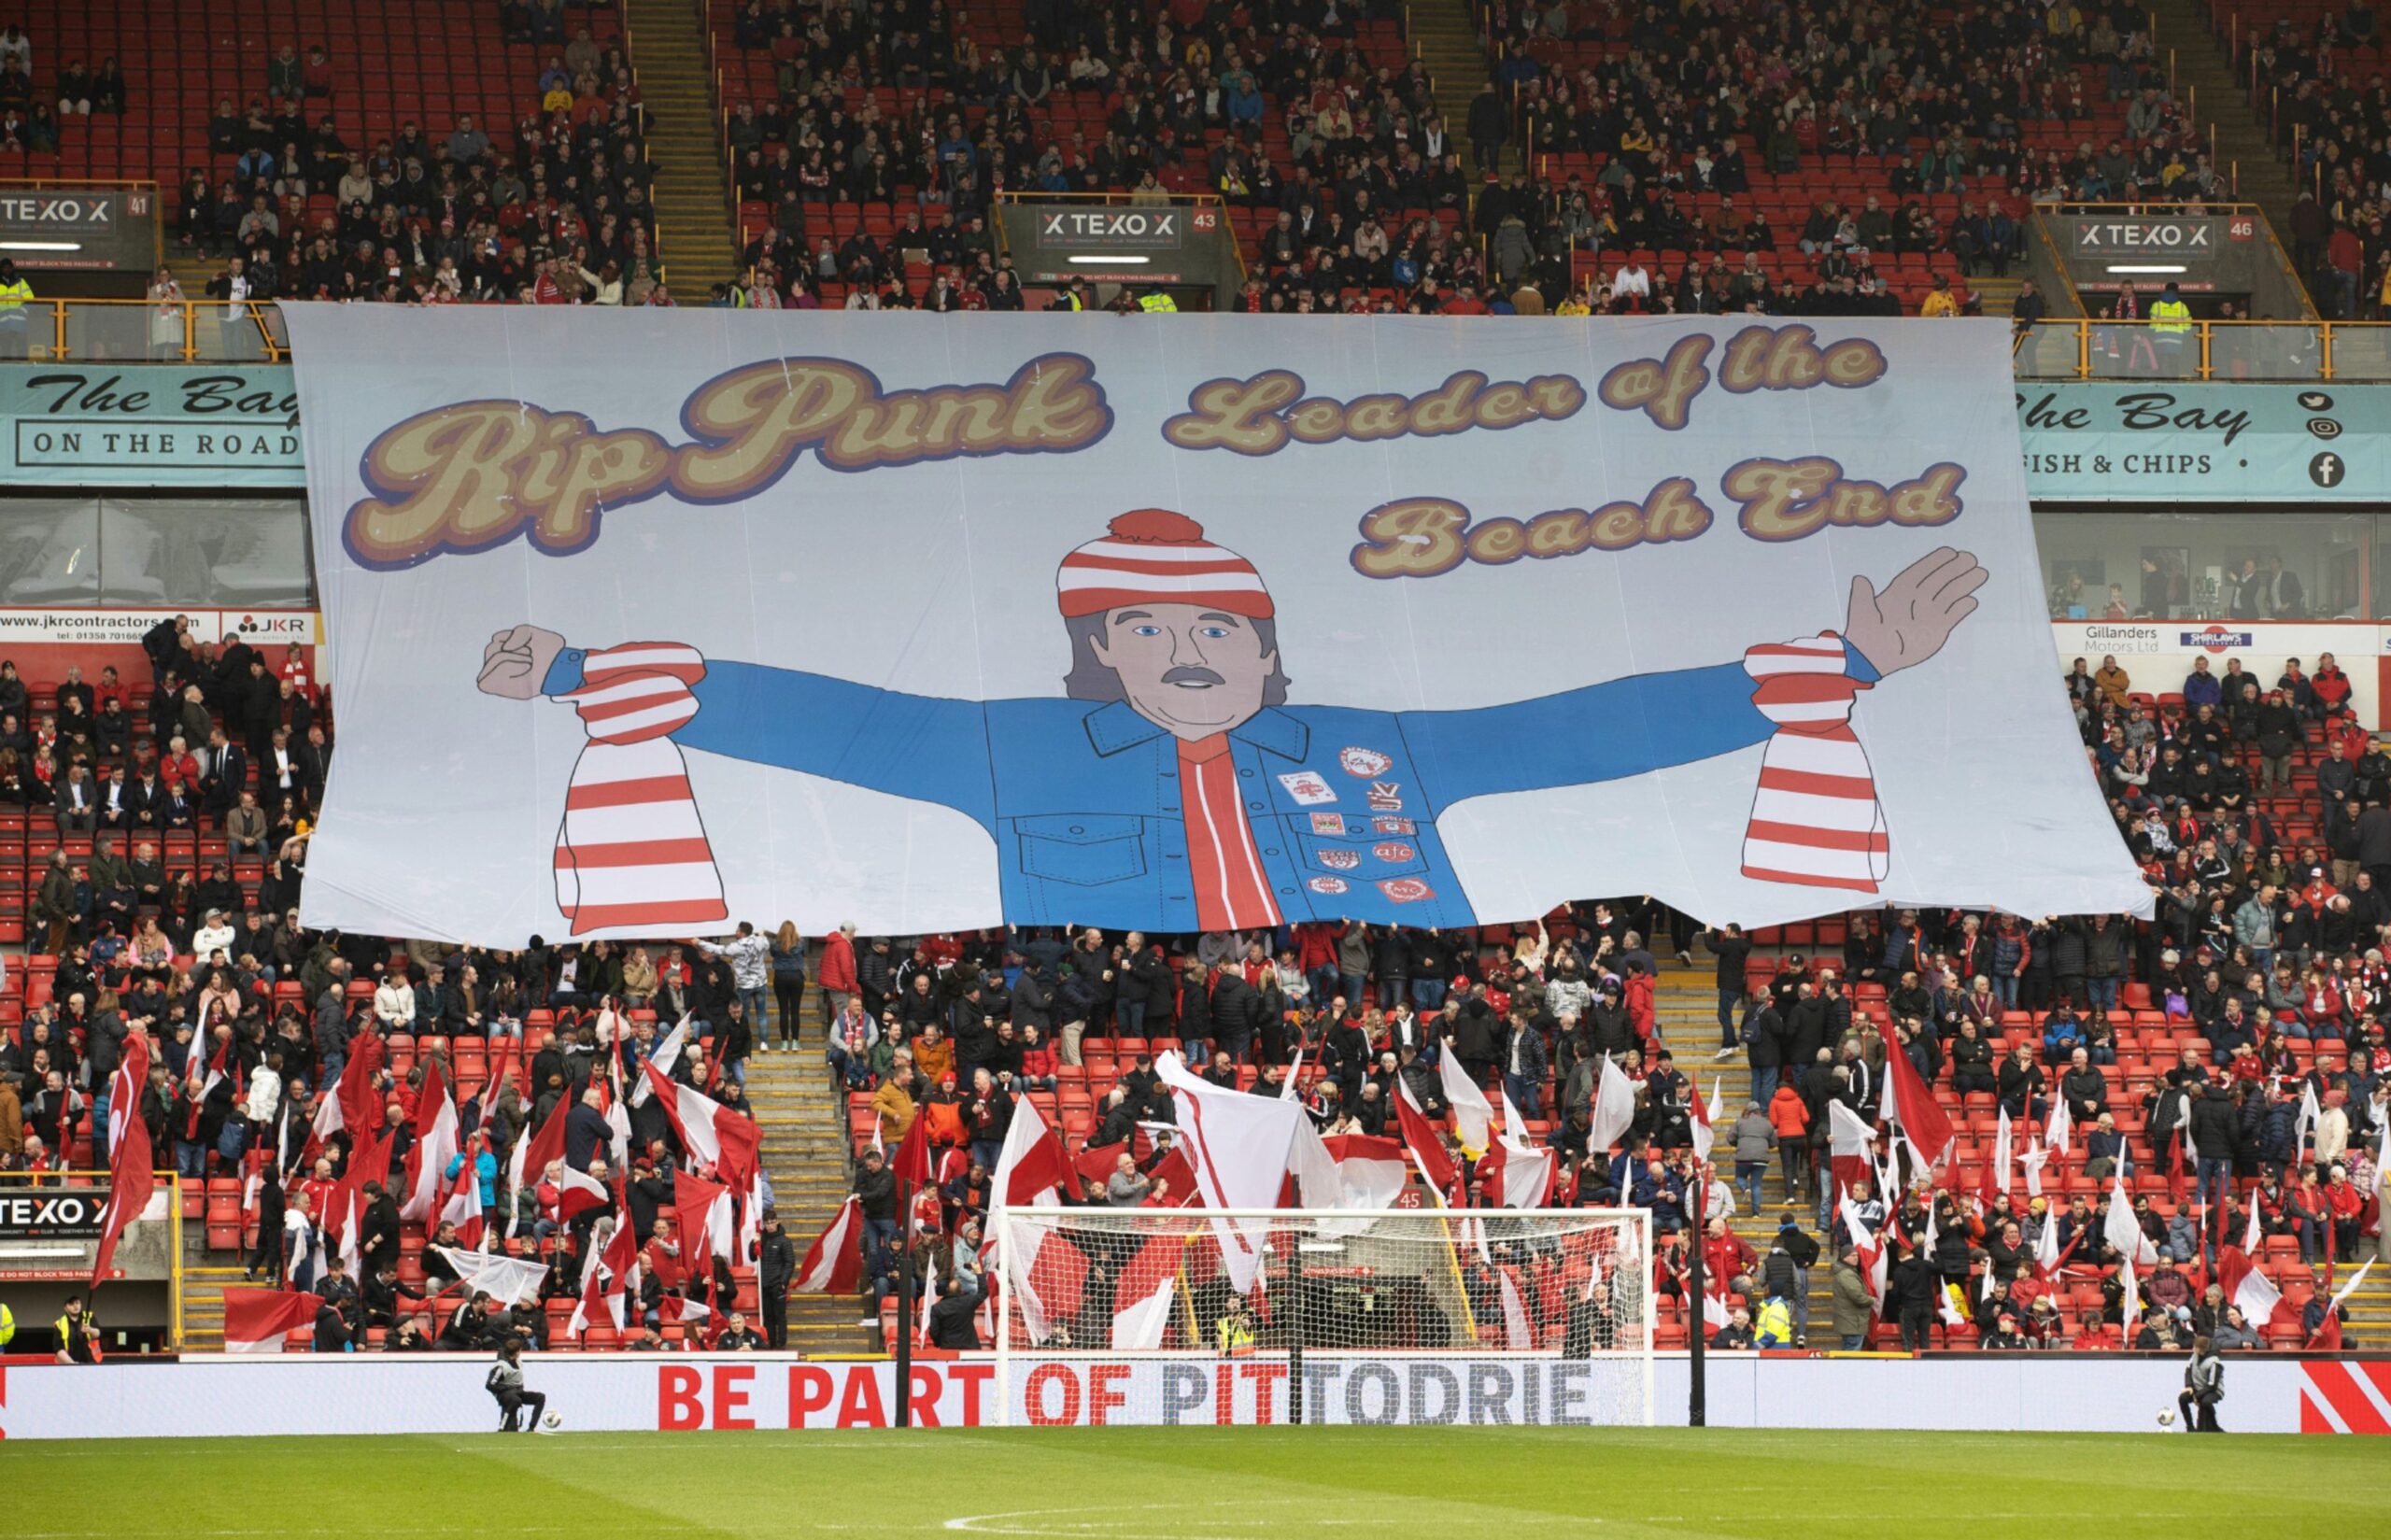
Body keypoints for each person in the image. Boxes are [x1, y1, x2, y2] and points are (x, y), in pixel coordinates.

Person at [486, 1335, 552, 1433]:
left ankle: (531, 1427)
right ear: (517, 1352)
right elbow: (490, 1385)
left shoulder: (518, 1362)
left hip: (518, 1391)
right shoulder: (502, 1367)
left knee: (540, 1397)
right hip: (505, 1394)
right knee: (515, 1400)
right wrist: (508, 1388)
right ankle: (502, 1427)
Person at [2177, 1335, 2224, 1432]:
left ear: (2201, 1349)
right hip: (2197, 1388)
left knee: (2205, 1402)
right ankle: (2190, 1427)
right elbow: (2188, 1370)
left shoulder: (2214, 1362)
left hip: (2213, 1391)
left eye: (2195, 1347)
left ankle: (2214, 1425)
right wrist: (2189, 1386)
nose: (2193, 1349)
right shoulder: (2194, 1356)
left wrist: (2197, 1396)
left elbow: (2212, 1385)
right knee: (2183, 1398)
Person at [52, 1293, 98, 1363]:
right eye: (71, 1304)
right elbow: (59, 1349)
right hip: (70, 1364)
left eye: (77, 1303)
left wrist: (90, 1330)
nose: (75, 1306)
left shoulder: (89, 1316)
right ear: (65, 1308)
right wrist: (72, 1364)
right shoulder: (59, 1324)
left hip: (92, 1362)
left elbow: (98, 1333)